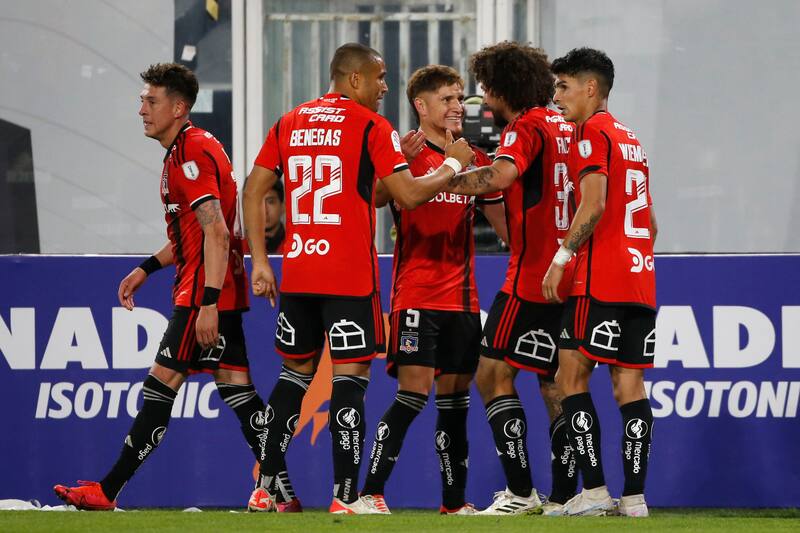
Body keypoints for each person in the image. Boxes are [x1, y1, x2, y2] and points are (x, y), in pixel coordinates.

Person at [242, 43, 475, 515]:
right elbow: (408, 197)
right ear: (353, 79)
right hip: (349, 276)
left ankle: (265, 488)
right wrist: (453, 164)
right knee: (351, 379)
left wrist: (261, 260)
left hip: (300, 270)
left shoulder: (290, 120)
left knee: (292, 377)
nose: (385, 86)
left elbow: (254, 188)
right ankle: (347, 497)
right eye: (379, 77)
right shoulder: (371, 125)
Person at [54, 63, 269, 510]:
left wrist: (208, 302)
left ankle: (106, 491)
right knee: (237, 391)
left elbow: (216, 233)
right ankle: (281, 490)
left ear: (179, 107)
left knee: (161, 385)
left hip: (201, 293)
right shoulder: (186, 151)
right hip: (211, 287)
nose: (142, 110)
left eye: (151, 102)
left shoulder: (190, 155)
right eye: (142, 101)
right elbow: (194, 234)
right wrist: (147, 268)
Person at [359, 65, 508, 516]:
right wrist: (436, 163)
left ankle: (453, 503)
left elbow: (503, 224)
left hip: (463, 299)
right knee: (413, 395)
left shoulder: (474, 158)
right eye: (446, 99)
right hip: (416, 295)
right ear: (420, 106)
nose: (457, 107)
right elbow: (382, 197)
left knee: (455, 402)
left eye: (459, 98)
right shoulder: (403, 153)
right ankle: (369, 493)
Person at [445, 41, 578, 515]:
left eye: (486, 88)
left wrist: (438, 180)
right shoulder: (568, 125)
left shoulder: (525, 126)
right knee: (556, 384)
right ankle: (564, 496)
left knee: (493, 373)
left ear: (502, 87)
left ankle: (521, 492)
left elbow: (499, 179)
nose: (484, 98)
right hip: (572, 274)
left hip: (530, 280)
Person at [542, 47, 658, 517]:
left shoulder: (590, 134)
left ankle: (592, 492)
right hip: (640, 279)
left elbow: (593, 205)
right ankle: (634, 500)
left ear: (592, 88)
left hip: (599, 279)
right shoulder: (631, 138)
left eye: (564, 87)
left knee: (569, 376)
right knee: (630, 386)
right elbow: (649, 225)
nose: (557, 97)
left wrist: (562, 257)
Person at [263, 179, 286, 254]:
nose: (265, 210)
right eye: (258, 203)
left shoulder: (296, 245)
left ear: (283, 206)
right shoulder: (239, 248)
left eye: (270, 202)